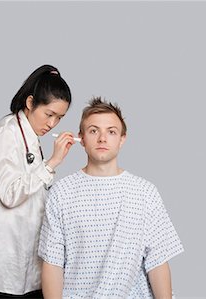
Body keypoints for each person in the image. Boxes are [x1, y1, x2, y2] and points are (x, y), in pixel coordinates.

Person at [38, 97, 184, 299]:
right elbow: (52, 262)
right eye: (93, 131)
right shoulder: (61, 192)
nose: (102, 139)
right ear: (81, 138)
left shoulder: (145, 192)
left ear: (122, 139)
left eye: (111, 132)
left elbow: (157, 261)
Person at [0, 64, 77, 299]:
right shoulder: (6, 133)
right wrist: (52, 163)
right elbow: (10, 194)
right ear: (31, 102)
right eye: (49, 114)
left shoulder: (30, 136)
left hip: (26, 265)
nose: (53, 124)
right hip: (2, 269)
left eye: (60, 117)